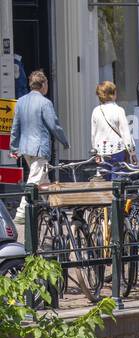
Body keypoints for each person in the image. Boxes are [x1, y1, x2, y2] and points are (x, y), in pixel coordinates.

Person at [9, 70, 69, 225]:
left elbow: (15, 127)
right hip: (40, 148)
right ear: (43, 85)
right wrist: (64, 141)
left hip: (25, 148)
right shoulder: (45, 103)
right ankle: (22, 213)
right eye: (47, 83)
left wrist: (14, 147)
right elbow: (54, 126)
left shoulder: (20, 101)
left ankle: (52, 208)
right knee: (35, 180)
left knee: (43, 179)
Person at [90, 81, 136, 179]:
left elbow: (93, 134)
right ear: (112, 94)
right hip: (117, 149)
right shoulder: (119, 110)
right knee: (118, 180)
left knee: (105, 180)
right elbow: (125, 133)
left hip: (101, 151)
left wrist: (96, 152)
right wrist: (132, 153)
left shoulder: (96, 111)